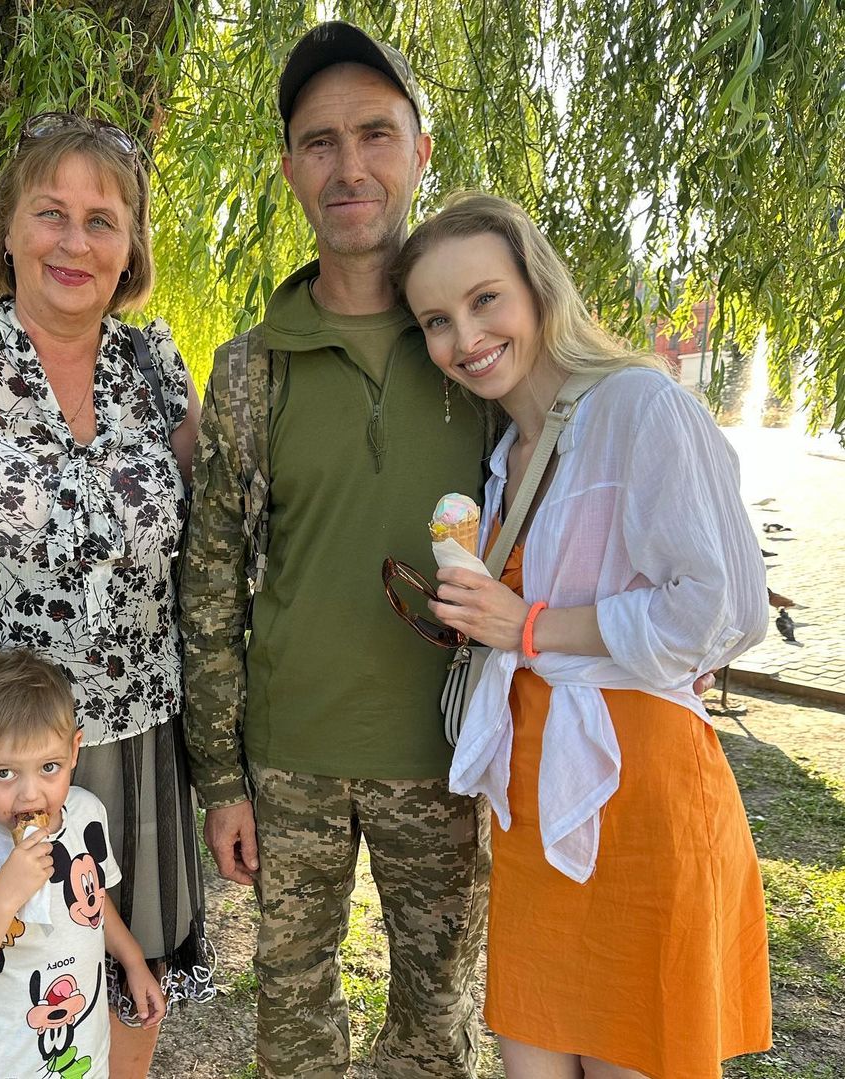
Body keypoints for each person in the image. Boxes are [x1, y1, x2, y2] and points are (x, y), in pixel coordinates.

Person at [392, 192, 773, 1079]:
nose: (466, 337)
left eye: (485, 299)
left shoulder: (639, 406)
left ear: (538, 288)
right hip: (534, 805)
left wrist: (526, 624)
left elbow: (723, 608)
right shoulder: (505, 460)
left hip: (636, 796)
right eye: (437, 320)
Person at [0, 112, 212, 1076]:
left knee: (128, 975)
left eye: (102, 220)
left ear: (131, 249)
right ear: (9, 229)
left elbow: (212, 554)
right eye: (50, 212)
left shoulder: (159, 374)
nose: (75, 241)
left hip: (134, 746)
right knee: (10, 987)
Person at [180, 22, 492, 1079]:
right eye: (320, 142)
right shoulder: (250, 369)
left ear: (420, 151)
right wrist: (220, 777)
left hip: (451, 761)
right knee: (293, 1024)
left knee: (435, 1027)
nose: (348, 165)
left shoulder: (480, 349)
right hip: (290, 761)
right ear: (290, 169)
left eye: (375, 134)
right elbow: (210, 589)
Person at [0, 648, 166, 1078]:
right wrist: (5, 896)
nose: (31, 794)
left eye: (49, 766)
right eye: (4, 773)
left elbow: (93, 902)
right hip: (3, 1065)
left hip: (83, 1053)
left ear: (74, 750)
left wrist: (133, 961)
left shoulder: (86, 814)